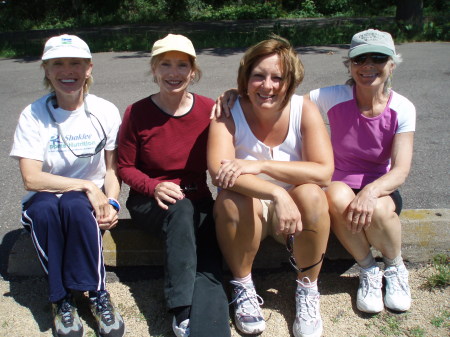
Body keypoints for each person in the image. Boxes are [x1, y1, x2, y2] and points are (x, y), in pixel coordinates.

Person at [207, 35, 334, 337]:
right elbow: (219, 172)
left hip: (295, 210)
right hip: (252, 207)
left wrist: (262, 166)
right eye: (258, 76)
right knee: (229, 197)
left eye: (278, 77)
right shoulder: (227, 111)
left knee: (314, 196)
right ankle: (243, 286)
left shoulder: (305, 109)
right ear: (245, 79)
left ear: (291, 81)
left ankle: (307, 288)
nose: (268, 86)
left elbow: (324, 172)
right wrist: (276, 191)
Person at [10, 34, 125, 337]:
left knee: (74, 205)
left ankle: (98, 294)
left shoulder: (105, 111)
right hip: (45, 196)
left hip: (84, 200)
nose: (67, 70)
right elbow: (31, 178)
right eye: (57, 64)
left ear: (88, 68)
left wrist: (112, 202)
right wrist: (87, 185)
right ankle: (61, 299)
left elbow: (113, 170)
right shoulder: (33, 114)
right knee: (47, 211)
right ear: (46, 70)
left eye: (75, 63)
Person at [117, 34, 230, 337]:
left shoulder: (209, 109)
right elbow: (124, 166)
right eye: (165, 64)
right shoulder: (137, 112)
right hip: (149, 199)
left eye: (182, 65)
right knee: (181, 210)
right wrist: (153, 186)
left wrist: (234, 94)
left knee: (208, 254)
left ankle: (211, 328)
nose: (173, 73)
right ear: (154, 70)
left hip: (197, 197)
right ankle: (182, 311)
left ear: (193, 71)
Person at [308, 29, 415, 314]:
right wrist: (237, 96)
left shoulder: (402, 108)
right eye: (359, 59)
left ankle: (394, 268)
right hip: (340, 185)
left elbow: (401, 169)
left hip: (381, 187)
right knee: (335, 196)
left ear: (392, 64)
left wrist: (370, 191)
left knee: (379, 210)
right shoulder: (331, 97)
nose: (367, 65)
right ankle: (368, 269)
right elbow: (284, 103)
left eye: (378, 58)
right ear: (350, 65)